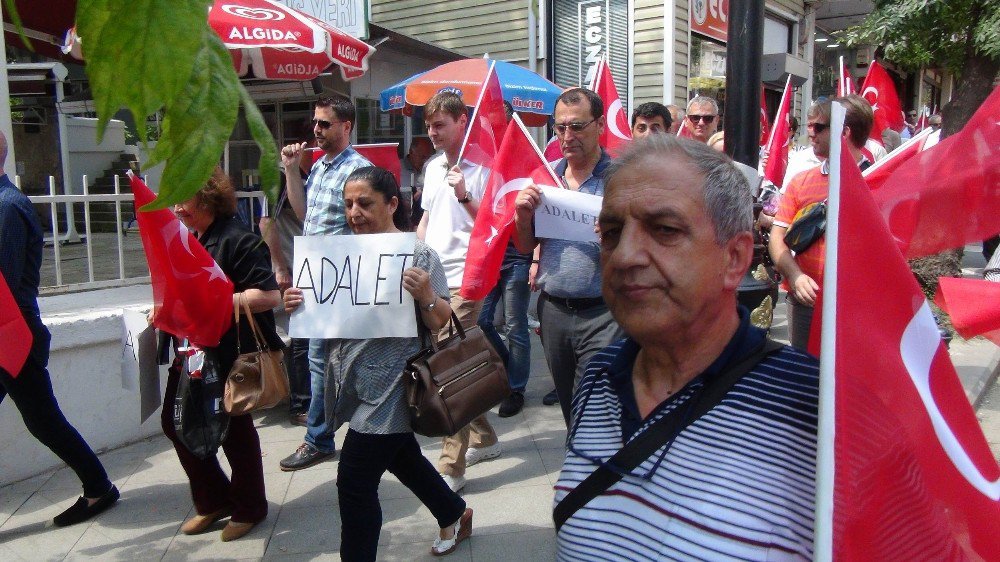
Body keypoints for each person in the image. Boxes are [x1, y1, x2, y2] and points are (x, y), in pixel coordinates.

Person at [554, 134, 819, 559]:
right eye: (612, 233)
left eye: (664, 230)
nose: (624, 257)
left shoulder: (813, 407)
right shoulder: (598, 377)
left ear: (734, 258)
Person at [283, 167, 472, 560]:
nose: (355, 212)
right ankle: (454, 512)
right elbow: (322, 311)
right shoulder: (335, 253)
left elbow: (441, 322)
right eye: (349, 204)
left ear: (391, 204)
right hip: (351, 380)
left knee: (354, 481)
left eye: (365, 203)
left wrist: (426, 297)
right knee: (402, 456)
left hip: (394, 385)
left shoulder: (418, 254)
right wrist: (297, 304)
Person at [0, 131, 120, 527]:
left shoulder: (6, 207)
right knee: (44, 421)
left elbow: (4, 278)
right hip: (10, 335)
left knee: (45, 422)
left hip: (12, 336)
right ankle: (99, 485)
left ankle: (99, 487)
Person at [162, 167, 282, 541]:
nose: (178, 208)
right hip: (194, 349)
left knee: (234, 429)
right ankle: (214, 499)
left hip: (231, 351)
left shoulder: (238, 240)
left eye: (185, 198)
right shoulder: (190, 238)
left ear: (207, 196)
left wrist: (214, 303)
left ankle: (249, 507)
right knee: (174, 421)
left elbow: (269, 296)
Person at [513, 88, 624, 427]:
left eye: (576, 126)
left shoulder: (620, 178)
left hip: (604, 311)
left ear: (599, 125)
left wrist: (613, 237)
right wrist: (521, 216)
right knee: (568, 403)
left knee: (594, 404)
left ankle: (588, 471)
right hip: (554, 310)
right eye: (559, 127)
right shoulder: (546, 178)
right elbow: (524, 246)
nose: (566, 136)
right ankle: (583, 466)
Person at [278, 95, 371, 471]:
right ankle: (330, 433)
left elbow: (365, 226)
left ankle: (320, 437)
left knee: (329, 358)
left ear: (346, 127)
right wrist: (290, 170)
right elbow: (303, 215)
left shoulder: (358, 170)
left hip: (340, 277)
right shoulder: (318, 167)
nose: (315, 130)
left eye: (324, 124)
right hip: (316, 276)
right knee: (323, 359)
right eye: (315, 123)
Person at [417, 92, 501, 492]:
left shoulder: (485, 166)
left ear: (462, 121)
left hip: (466, 278)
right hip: (432, 276)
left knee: (447, 366)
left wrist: (465, 193)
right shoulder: (433, 167)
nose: (432, 132)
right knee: (450, 358)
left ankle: (452, 466)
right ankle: (484, 436)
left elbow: (493, 224)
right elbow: (427, 219)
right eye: (429, 125)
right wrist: (413, 258)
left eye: (440, 125)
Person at [769, 95, 873, 350]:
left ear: (843, 131)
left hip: (862, 309)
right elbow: (777, 238)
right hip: (807, 303)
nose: (810, 133)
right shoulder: (801, 182)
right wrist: (795, 276)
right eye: (809, 125)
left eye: (818, 127)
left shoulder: (879, 182)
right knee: (804, 381)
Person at [477, 102, 533, 418]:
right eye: (488, 123)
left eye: (499, 123)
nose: (492, 128)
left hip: (516, 257)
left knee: (515, 325)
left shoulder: (521, 160)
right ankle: (510, 369)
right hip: (489, 255)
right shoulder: (479, 163)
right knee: (482, 321)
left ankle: (516, 387)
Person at [259, 179, 310, 427]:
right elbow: (265, 221)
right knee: (302, 339)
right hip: (296, 267)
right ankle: (301, 404)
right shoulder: (282, 177)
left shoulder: (318, 173)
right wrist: (280, 267)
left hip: (315, 264)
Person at [405, 136, 434, 228]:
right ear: (411, 152)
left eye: (428, 157)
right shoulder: (399, 169)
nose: (425, 161)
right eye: (422, 157)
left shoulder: (432, 170)